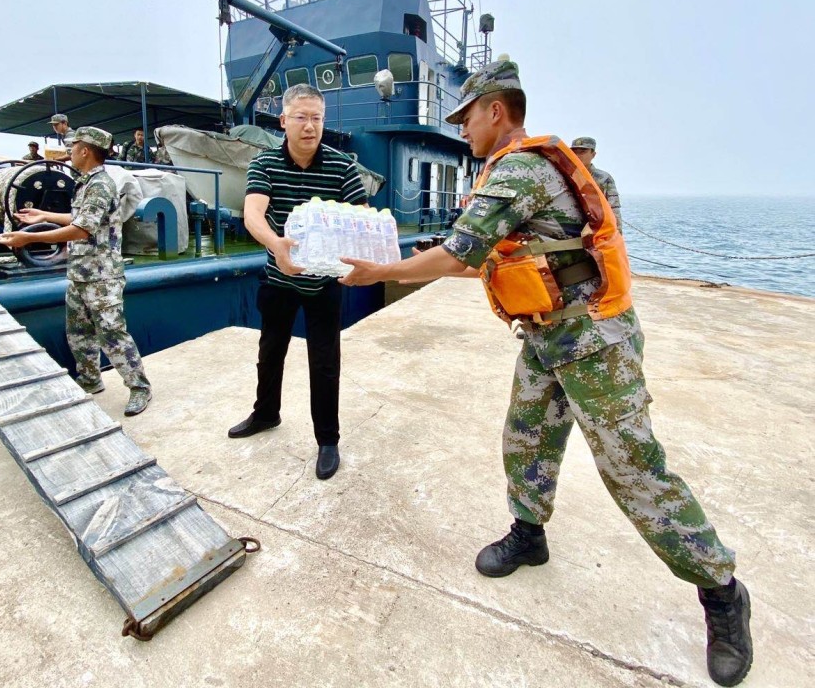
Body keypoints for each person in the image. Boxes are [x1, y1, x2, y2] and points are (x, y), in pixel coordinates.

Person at [341, 57, 752, 686]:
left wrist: (382, 272)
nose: (462, 128)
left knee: (634, 470)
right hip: (545, 335)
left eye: (467, 116)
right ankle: (529, 533)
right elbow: (479, 258)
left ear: (496, 111)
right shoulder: (509, 169)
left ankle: (722, 591)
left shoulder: (520, 169)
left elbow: (458, 253)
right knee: (527, 438)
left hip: (594, 343)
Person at [228, 83, 367, 480]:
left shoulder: (342, 167)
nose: (310, 126)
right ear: (283, 121)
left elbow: (360, 216)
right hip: (278, 276)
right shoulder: (265, 164)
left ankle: (328, 439)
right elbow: (254, 213)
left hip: (324, 282)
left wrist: (359, 251)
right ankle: (265, 414)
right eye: (301, 117)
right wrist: (276, 245)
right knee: (270, 351)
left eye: (317, 118)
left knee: (325, 361)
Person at [0, 127, 152, 418]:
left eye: (73, 147)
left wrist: (28, 238)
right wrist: (44, 215)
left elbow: (81, 229)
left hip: (101, 277)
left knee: (112, 334)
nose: (70, 152)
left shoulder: (100, 184)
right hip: (81, 272)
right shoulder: (86, 183)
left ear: (85, 151)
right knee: (79, 333)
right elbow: (80, 217)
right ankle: (90, 381)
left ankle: (139, 387)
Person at [571, 136, 622, 232]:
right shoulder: (565, 175)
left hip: (595, 230)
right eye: (575, 152)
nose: (578, 155)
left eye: (582, 152)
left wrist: (617, 233)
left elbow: (614, 208)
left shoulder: (604, 178)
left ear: (593, 154)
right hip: (569, 229)